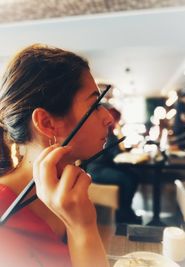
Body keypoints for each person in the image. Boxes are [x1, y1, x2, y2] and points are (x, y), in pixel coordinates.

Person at [0, 44, 114, 267]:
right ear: (47, 123)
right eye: (95, 105)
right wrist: (82, 227)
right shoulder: (5, 216)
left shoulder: (68, 188)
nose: (109, 118)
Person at [84, 105, 141, 224]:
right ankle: (123, 213)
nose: (119, 122)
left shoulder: (106, 133)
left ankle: (125, 210)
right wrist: (119, 131)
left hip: (96, 167)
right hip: (98, 170)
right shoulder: (109, 135)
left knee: (134, 175)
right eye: (118, 120)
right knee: (128, 179)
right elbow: (116, 156)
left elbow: (115, 152)